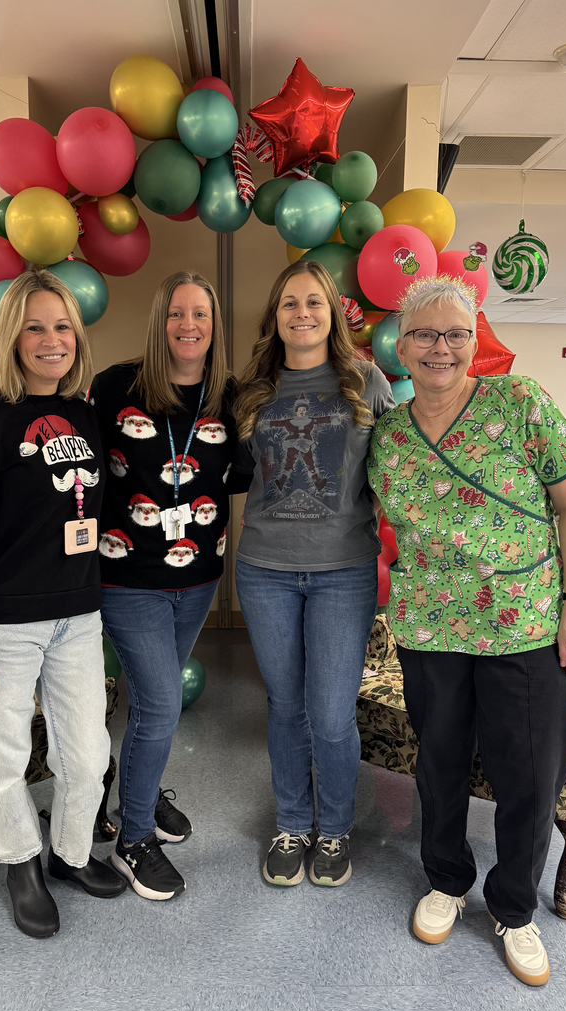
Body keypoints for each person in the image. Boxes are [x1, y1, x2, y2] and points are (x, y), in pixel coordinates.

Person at [367, 276, 566, 986]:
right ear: (401, 348)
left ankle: (515, 908)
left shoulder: (519, 403)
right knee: (438, 762)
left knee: (529, 774)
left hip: (524, 628)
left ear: (475, 341)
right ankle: (446, 879)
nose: (441, 347)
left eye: (455, 334)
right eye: (425, 335)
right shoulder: (388, 437)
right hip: (429, 629)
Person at [0, 269, 126, 940]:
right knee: (6, 756)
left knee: (87, 753)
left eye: (63, 326)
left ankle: (71, 854)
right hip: (0, 627)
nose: (52, 340)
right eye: (35, 327)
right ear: (11, 337)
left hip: (78, 615)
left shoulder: (83, 415)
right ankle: (20, 864)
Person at [232, 260, 394, 888]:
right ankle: (292, 822)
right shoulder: (253, 390)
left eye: (314, 303)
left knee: (330, 714)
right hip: (266, 570)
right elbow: (234, 472)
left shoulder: (367, 382)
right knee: (285, 707)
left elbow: (400, 471)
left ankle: (334, 830)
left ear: (333, 314)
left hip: (342, 573)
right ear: (275, 317)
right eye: (289, 303)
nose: (302, 313)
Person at [90, 270, 240, 901]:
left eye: (200, 315)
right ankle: (133, 836)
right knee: (160, 704)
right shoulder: (114, 386)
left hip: (200, 576)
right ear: (160, 321)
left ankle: (136, 797)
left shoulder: (228, 395)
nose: (188, 325)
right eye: (177, 313)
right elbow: (79, 477)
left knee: (158, 704)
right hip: (128, 575)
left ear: (213, 325)